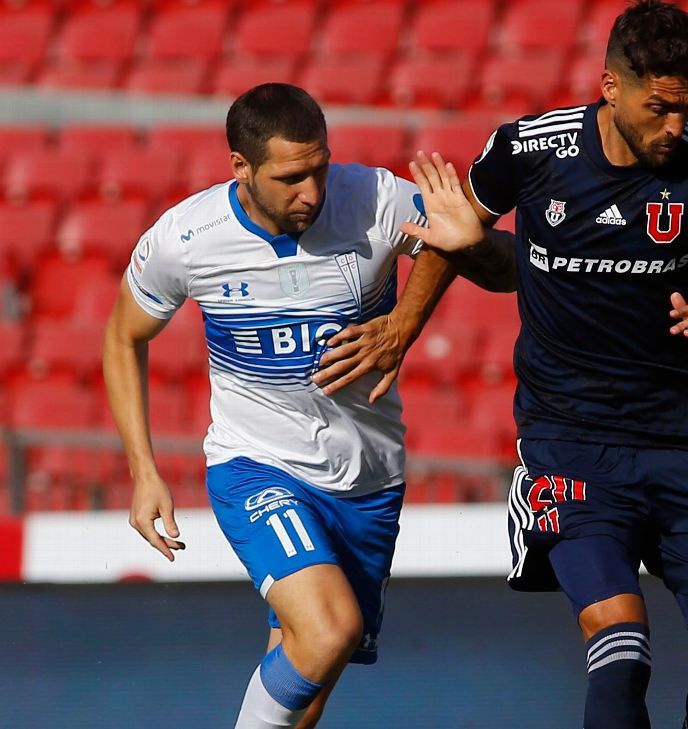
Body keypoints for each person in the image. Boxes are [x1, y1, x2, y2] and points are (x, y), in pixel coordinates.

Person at [375, 2, 688, 726]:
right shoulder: (530, 151)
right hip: (570, 438)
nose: (675, 126)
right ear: (611, 86)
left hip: (686, 441)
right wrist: (400, 329)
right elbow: (456, 235)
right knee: (621, 643)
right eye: (659, 107)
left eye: (687, 106)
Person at [102, 83, 454, 728]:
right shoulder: (186, 237)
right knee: (328, 630)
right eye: (291, 177)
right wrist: (143, 471)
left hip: (369, 477)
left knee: (309, 673)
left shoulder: (374, 198)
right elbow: (123, 337)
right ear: (241, 168)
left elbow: (469, 246)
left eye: (319, 169)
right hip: (257, 464)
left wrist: (404, 320)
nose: (312, 192)